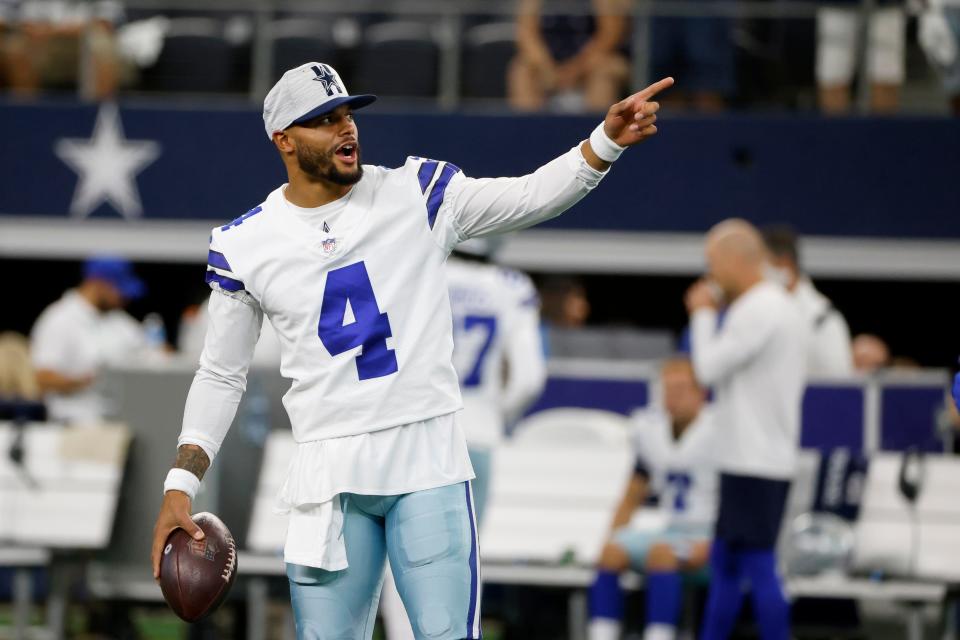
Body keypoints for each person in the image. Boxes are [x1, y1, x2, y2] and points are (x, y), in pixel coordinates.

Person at [149, 60, 674, 640]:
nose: (345, 129)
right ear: (286, 141)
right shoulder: (244, 242)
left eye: (347, 114)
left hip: (426, 455)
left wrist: (603, 144)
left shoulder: (416, 192)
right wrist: (181, 485)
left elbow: (528, 197)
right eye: (324, 120)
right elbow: (221, 376)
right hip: (327, 471)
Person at [380, 239, 548, 639]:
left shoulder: (416, 270)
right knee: (463, 556)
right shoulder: (511, 286)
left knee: (399, 555)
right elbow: (529, 378)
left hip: (416, 429)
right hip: (477, 433)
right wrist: (494, 413)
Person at [685, 219, 806, 640]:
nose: (708, 275)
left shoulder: (760, 307)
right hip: (751, 458)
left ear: (737, 261)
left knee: (755, 563)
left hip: (757, 461)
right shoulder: (771, 305)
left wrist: (702, 314)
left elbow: (706, 368)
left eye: (712, 264)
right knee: (727, 562)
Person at [587, 357, 717, 640]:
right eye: (668, 390)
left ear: (700, 394)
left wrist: (714, 544)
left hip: (711, 536)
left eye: (681, 390)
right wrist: (610, 537)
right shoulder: (652, 431)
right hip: (672, 531)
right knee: (611, 552)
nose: (673, 398)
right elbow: (633, 492)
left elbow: (736, 500)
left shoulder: (720, 431)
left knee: (662, 553)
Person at [30, 256, 146, 425]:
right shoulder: (59, 318)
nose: (124, 296)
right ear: (97, 283)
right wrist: (89, 381)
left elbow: (151, 356)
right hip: (70, 424)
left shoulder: (122, 322)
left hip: (119, 423)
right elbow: (42, 378)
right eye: (118, 289)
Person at [762, 225, 853, 377]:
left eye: (761, 265)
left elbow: (840, 384)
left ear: (784, 264)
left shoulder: (823, 318)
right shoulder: (760, 309)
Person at [509, 0, 630, 112]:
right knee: (522, 69)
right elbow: (526, 33)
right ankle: (528, 130)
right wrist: (546, 68)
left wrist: (575, 70)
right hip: (549, 66)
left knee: (604, 72)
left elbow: (610, 34)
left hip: (592, 63)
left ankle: (598, 130)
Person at [815, 0, 906, 113]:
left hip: (886, 7)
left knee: (885, 78)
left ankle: (883, 130)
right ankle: (836, 130)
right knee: (833, 78)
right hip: (837, 6)